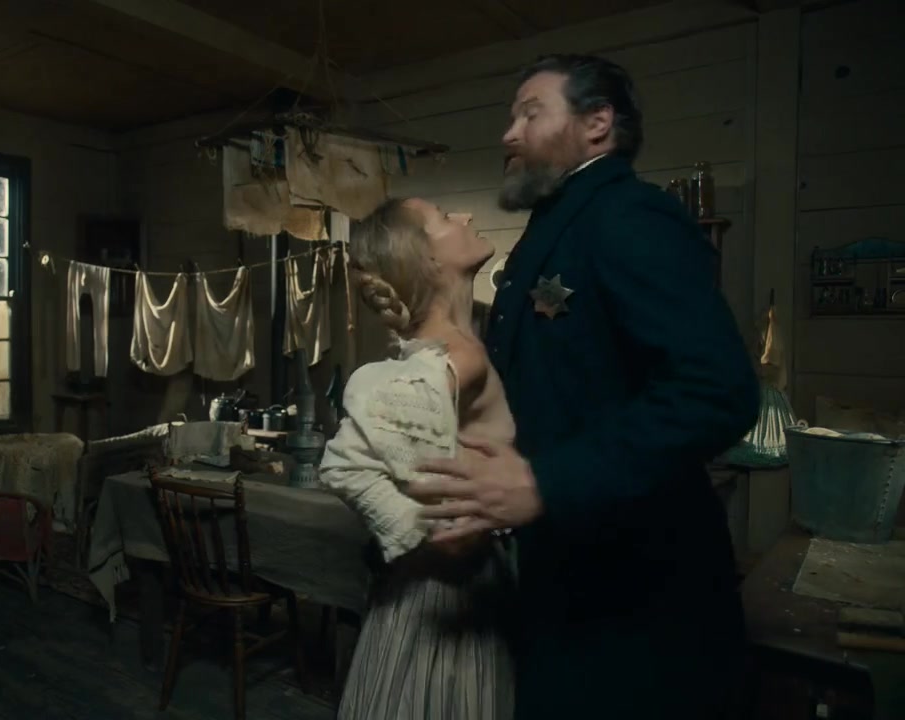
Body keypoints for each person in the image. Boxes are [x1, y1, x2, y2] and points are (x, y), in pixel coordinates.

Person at [405, 54, 760, 720]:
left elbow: (717, 390)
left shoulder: (628, 214)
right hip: (569, 579)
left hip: (640, 601)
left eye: (530, 113)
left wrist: (547, 482)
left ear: (597, 123)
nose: (509, 133)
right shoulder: (559, 222)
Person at [319, 198, 516, 720]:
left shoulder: (442, 348)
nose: (467, 217)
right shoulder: (459, 357)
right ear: (427, 259)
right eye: (446, 218)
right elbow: (345, 464)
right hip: (446, 595)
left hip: (434, 590)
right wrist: (427, 531)